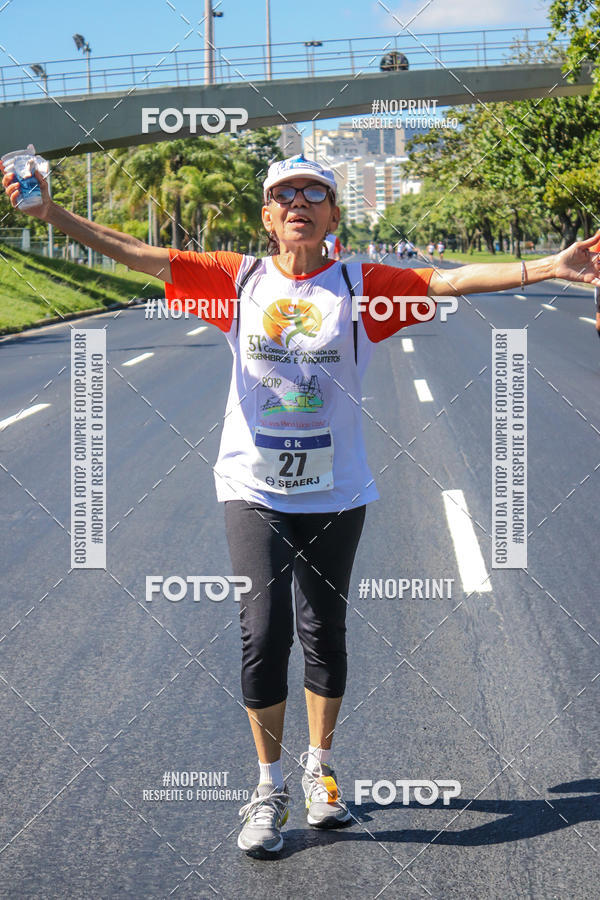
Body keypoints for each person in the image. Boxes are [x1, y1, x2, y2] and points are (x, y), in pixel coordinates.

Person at [3, 151, 600, 858]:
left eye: (314, 193)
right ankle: (268, 785)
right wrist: (49, 213)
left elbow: (452, 278)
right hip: (252, 485)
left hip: (336, 490)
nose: (298, 202)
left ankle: (319, 767)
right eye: (283, 194)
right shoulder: (237, 279)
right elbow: (135, 252)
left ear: (331, 217)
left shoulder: (360, 285)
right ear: (267, 216)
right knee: (262, 632)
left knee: (324, 630)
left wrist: (549, 266)